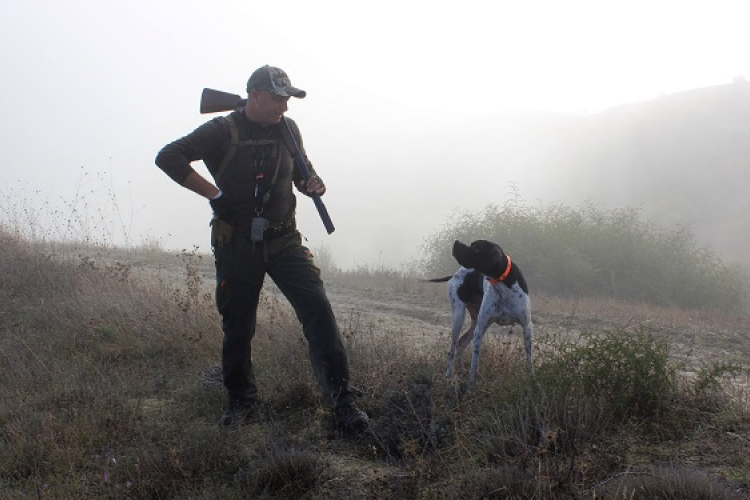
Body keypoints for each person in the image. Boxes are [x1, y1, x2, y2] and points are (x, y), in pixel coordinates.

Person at [155, 65, 368, 432]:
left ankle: (342, 403)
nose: (284, 106)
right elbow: (168, 157)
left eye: (288, 99)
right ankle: (241, 402)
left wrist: (311, 183)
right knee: (238, 325)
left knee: (318, 312)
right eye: (278, 98)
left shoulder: (289, 129)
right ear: (253, 95)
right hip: (237, 241)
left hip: (285, 238)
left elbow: (302, 172)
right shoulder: (222, 129)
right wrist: (215, 194)